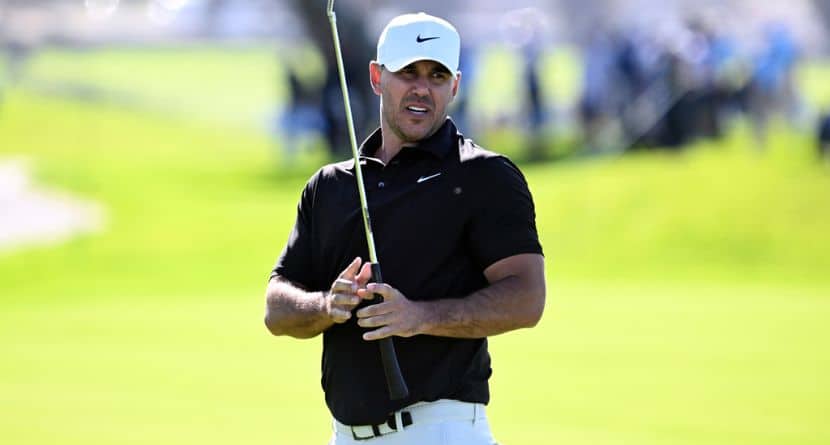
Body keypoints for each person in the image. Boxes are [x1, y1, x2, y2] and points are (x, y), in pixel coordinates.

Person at [264, 12, 546, 444]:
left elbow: (527, 297)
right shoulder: (330, 186)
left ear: (455, 85)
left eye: (437, 75)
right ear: (377, 77)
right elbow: (277, 307)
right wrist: (327, 305)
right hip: (344, 435)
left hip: (442, 431)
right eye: (408, 72)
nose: (422, 88)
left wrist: (419, 316)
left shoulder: (483, 176)